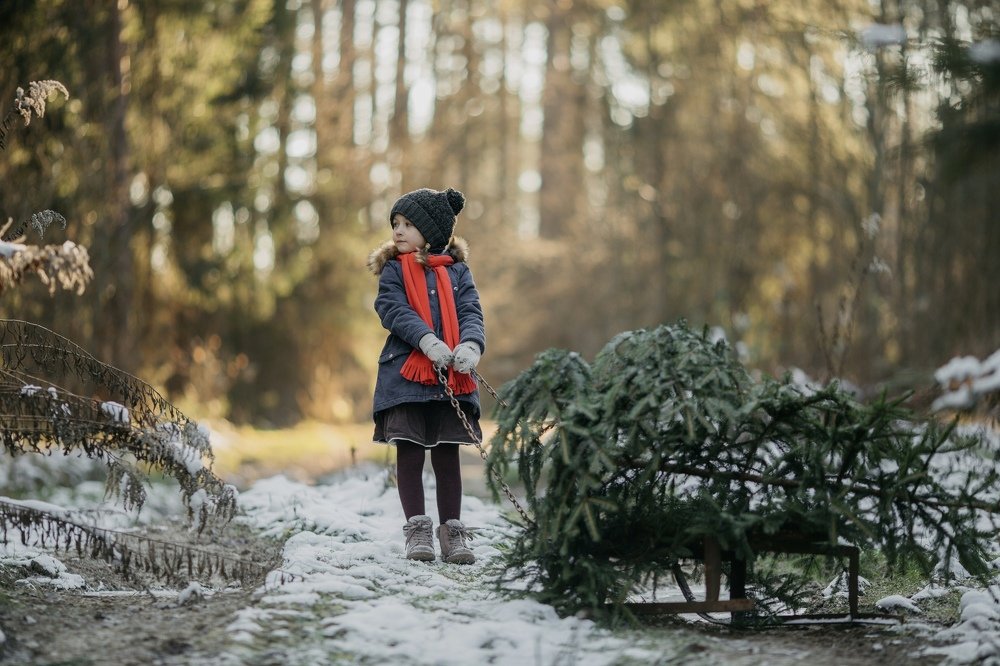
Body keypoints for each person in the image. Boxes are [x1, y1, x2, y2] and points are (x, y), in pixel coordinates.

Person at [367, 187, 485, 564]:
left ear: (432, 231)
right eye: (395, 224)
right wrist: (426, 340)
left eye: (408, 224)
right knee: (411, 450)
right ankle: (417, 531)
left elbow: (471, 311)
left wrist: (470, 345)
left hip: (451, 376)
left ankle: (453, 532)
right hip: (406, 374)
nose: (398, 231)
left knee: (448, 454)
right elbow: (391, 309)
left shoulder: (458, 272)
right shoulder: (393, 271)